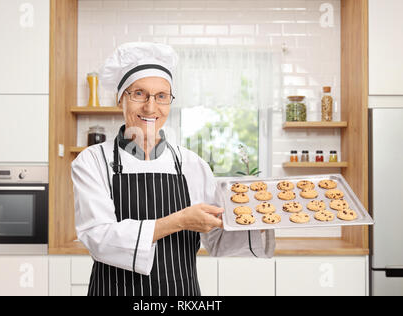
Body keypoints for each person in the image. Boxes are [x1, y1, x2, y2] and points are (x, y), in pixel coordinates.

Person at [71, 42, 275, 297]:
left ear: (169, 102)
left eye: (161, 96)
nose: (150, 107)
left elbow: (217, 241)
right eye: (139, 93)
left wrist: (259, 219)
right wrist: (179, 221)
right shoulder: (92, 161)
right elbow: (98, 238)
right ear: (120, 98)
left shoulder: (192, 164)